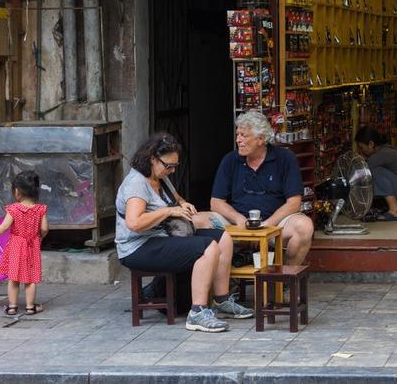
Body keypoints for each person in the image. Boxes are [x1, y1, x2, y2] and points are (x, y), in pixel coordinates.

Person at [115, 134, 253, 333]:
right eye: (168, 166)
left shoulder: (160, 177)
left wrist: (182, 204)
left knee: (223, 238)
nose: (171, 171)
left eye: (174, 166)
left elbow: (176, 197)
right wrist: (168, 211)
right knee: (208, 248)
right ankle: (197, 312)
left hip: (161, 237)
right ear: (152, 159)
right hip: (138, 247)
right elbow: (134, 223)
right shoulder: (137, 184)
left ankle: (222, 300)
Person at [210, 111, 313, 264]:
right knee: (199, 221)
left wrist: (268, 225)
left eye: (244, 135)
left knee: (304, 226)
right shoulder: (230, 160)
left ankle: (286, 277)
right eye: (238, 134)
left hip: (276, 224)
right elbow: (216, 202)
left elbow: (294, 203)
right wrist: (239, 220)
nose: (238, 140)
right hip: (237, 224)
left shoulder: (285, 158)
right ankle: (224, 278)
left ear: (261, 139)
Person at [0, 171, 49, 316]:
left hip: (16, 246)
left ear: (17, 191)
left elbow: (4, 227)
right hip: (33, 245)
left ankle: (12, 307)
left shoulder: (13, 209)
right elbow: (44, 228)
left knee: (14, 277)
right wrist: (39, 237)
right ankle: (30, 307)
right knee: (30, 278)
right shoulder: (41, 209)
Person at [355, 126, 397, 222]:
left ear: (371, 144)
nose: (360, 151)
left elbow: (362, 176)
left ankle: (395, 210)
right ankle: (389, 208)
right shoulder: (385, 150)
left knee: (374, 172)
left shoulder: (377, 156)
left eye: (361, 147)